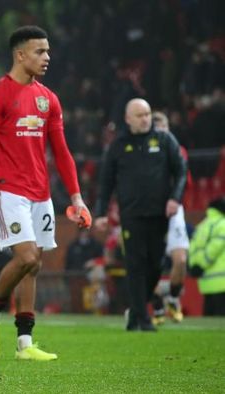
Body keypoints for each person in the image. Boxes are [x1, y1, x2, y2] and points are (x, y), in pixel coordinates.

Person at [0, 25, 91, 361]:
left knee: (35, 265)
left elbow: (62, 151)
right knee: (25, 257)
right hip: (7, 190)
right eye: (40, 52)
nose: (47, 57)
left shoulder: (48, 99)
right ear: (20, 54)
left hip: (40, 191)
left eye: (48, 51)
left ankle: (25, 343)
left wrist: (76, 197)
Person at [94, 98, 187, 331]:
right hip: (131, 214)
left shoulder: (165, 140)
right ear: (128, 119)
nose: (145, 118)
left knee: (156, 265)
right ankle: (144, 319)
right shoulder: (118, 145)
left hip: (159, 214)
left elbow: (181, 170)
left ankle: (135, 313)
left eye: (147, 114)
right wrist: (101, 212)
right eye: (140, 115)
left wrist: (175, 198)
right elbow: (106, 182)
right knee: (135, 265)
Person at [150, 111, 190, 324]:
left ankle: (173, 297)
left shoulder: (177, 150)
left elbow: (184, 178)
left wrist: (174, 198)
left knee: (180, 259)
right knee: (150, 262)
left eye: (163, 127)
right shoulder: (144, 149)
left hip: (173, 210)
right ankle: (157, 306)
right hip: (149, 211)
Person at [188, 197, 225, 316]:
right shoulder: (222, 224)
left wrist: (195, 266)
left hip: (205, 282)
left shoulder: (201, 226)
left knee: (208, 322)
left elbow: (192, 248)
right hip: (222, 282)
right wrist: (203, 264)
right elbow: (214, 248)